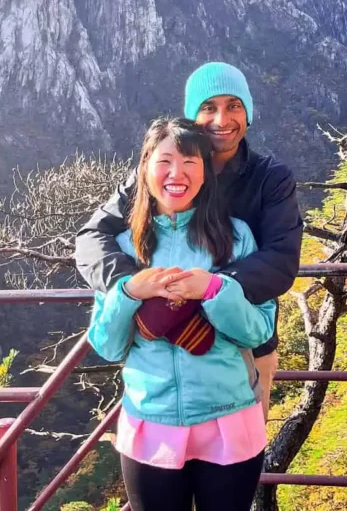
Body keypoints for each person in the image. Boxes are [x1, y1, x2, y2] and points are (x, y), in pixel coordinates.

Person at [76, 62, 303, 420]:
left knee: (243, 459)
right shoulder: (157, 174)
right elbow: (92, 237)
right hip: (162, 359)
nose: (221, 119)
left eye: (234, 106)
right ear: (191, 116)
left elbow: (281, 261)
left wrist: (211, 289)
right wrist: (129, 285)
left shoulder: (269, 179)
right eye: (208, 108)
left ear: (248, 112)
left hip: (245, 343)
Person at [87, 117, 275, 511]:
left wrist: (213, 289)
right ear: (144, 169)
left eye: (191, 162)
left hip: (228, 416)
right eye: (165, 161)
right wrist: (129, 291)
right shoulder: (122, 247)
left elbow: (259, 330)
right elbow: (106, 344)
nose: (177, 173)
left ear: (206, 173)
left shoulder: (236, 237)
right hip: (151, 421)